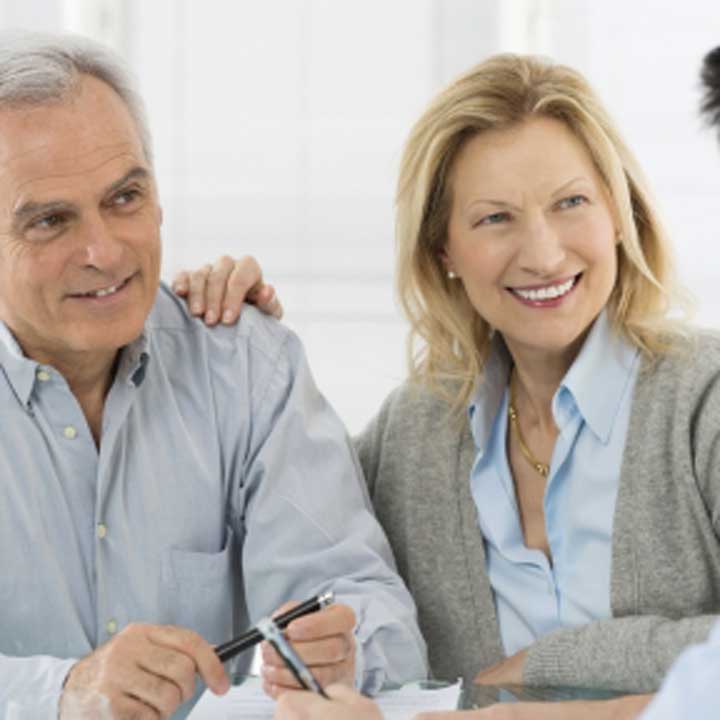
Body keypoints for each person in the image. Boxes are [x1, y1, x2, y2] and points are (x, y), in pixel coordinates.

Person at [181, 50, 720, 717]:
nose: (545, 253)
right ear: (444, 250)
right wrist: (227, 345)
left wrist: (547, 678)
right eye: (495, 218)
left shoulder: (706, 400)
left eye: (571, 202)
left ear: (620, 214)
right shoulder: (411, 437)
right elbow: (276, 531)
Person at [0, 31, 428, 720]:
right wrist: (62, 691)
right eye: (51, 221)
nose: (103, 252)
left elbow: (374, 614)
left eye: (124, 198)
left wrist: (348, 650)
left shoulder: (248, 368)